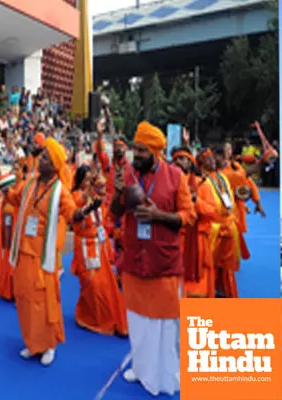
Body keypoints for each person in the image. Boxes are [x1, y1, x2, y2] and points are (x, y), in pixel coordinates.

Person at [110, 121, 194, 396]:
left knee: (164, 324)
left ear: (156, 152)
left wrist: (158, 216)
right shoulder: (129, 175)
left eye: (142, 150)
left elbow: (188, 216)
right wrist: (120, 192)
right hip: (135, 261)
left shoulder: (175, 177)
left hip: (163, 263)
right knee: (138, 321)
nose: (136, 155)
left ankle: (165, 374)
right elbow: (114, 212)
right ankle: (143, 368)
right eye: (135, 149)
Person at [2, 138, 88, 366]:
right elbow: (16, 197)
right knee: (23, 299)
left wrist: (81, 214)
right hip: (22, 251)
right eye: (42, 156)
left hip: (42, 256)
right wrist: (4, 189)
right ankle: (32, 342)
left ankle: (48, 344)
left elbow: (70, 212)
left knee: (44, 301)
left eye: (46, 158)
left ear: (55, 166)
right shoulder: (30, 183)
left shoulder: (60, 191)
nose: (41, 160)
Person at [70, 164, 127, 336]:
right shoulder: (74, 197)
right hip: (85, 245)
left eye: (90, 179)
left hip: (100, 246)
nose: (88, 182)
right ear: (80, 180)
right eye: (85, 179)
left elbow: (106, 216)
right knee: (92, 285)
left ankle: (110, 318)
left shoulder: (95, 197)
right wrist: (86, 203)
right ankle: (92, 318)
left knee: (106, 285)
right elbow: (74, 216)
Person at [171, 146, 218, 298]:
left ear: (190, 163)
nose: (178, 162)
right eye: (175, 159)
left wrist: (195, 200)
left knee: (197, 287)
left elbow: (212, 212)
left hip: (197, 243)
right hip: (174, 241)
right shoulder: (169, 185)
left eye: (182, 159)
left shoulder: (202, 184)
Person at [0, 159, 25, 301]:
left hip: (17, 225)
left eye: (18, 169)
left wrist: (8, 191)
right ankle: (5, 289)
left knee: (14, 255)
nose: (15, 172)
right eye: (13, 169)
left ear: (22, 171)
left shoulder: (23, 186)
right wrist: (0, 187)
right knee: (6, 253)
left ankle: (15, 290)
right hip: (5, 223)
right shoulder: (7, 183)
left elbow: (19, 201)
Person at [210, 147, 243, 298]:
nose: (217, 159)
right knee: (210, 266)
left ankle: (225, 293)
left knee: (227, 267)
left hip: (228, 228)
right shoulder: (203, 180)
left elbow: (244, 180)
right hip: (213, 230)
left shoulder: (225, 176)